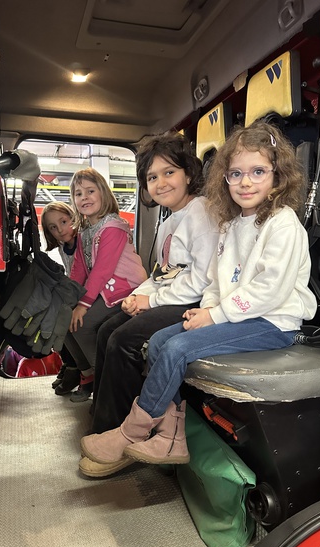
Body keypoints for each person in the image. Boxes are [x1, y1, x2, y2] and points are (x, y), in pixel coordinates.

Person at [79, 120, 318, 473]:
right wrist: (206, 310)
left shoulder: (282, 223)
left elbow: (270, 290)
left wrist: (215, 316)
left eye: (257, 172)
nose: (246, 182)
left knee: (176, 348)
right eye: (235, 174)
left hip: (272, 322)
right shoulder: (231, 224)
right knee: (159, 341)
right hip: (236, 316)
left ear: (277, 175)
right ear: (224, 178)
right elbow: (218, 281)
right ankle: (170, 437)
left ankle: (131, 432)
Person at [79, 131, 220, 477]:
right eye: (152, 177)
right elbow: (160, 274)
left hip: (195, 301)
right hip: (170, 296)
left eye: (169, 172)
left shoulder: (201, 213)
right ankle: (104, 420)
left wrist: (151, 300)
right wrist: (137, 295)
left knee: (123, 340)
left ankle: (122, 437)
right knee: (106, 330)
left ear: (189, 173)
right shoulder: (169, 221)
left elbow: (202, 280)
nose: (161, 183)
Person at [65, 167, 147, 401]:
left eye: (90, 191)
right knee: (64, 321)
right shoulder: (85, 232)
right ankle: (88, 374)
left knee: (82, 324)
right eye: (78, 194)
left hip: (126, 289)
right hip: (104, 290)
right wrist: (66, 299)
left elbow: (102, 271)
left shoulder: (113, 227)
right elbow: (79, 269)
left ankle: (105, 379)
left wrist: (82, 305)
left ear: (103, 193)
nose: (84, 197)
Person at [41, 201, 82, 396]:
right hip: (77, 290)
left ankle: (76, 367)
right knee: (48, 313)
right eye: (53, 227)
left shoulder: (83, 241)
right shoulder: (63, 248)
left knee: (61, 318)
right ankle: (68, 361)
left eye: (64, 222)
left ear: (73, 218)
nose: (60, 230)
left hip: (90, 292)